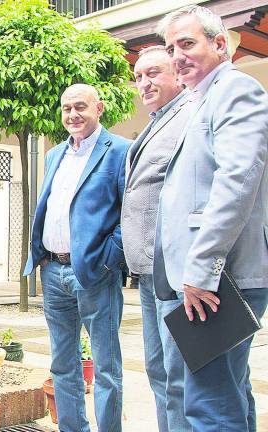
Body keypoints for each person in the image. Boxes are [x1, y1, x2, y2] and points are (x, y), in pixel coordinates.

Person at [155, 5, 268, 430]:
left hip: (221, 280)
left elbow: (237, 182)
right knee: (225, 395)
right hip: (208, 279)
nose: (177, 55)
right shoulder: (201, 98)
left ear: (219, 44)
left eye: (187, 43)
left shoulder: (236, 90)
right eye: (171, 48)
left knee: (209, 405)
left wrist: (203, 268)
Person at [24, 83, 130, 431]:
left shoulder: (119, 151)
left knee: (106, 367)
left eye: (80, 107)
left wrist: (107, 261)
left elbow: (130, 214)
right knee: (62, 365)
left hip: (95, 274)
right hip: (53, 270)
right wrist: (40, 258)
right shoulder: (55, 154)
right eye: (67, 108)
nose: (73, 114)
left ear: (99, 108)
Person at [121, 45, 192, 432]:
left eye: (153, 73)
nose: (143, 83)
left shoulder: (190, 116)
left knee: (179, 371)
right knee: (158, 367)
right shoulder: (155, 122)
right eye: (138, 77)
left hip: (177, 273)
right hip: (148, 273)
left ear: (177, 74)